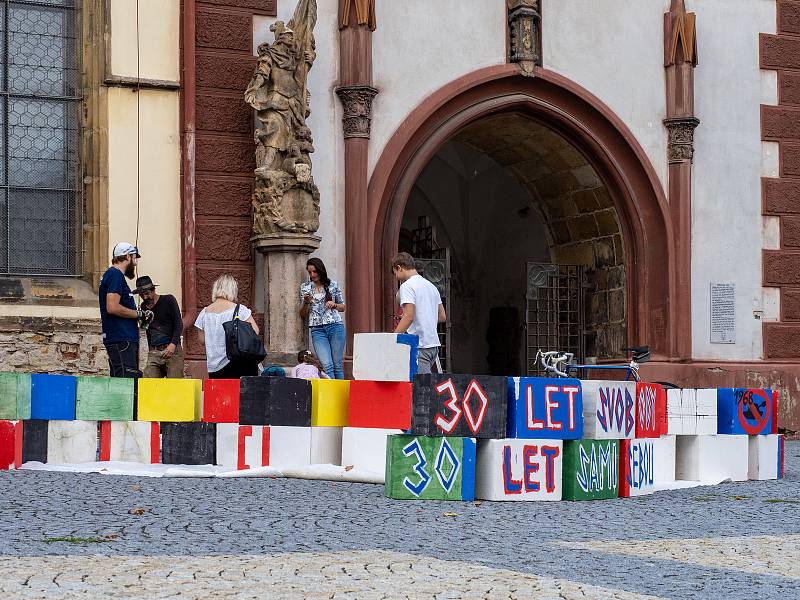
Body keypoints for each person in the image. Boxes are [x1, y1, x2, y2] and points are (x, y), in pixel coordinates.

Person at [194, 274, 261, 379]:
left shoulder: (204, 312)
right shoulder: (239, 310)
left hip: (214, 366)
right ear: (233, 290)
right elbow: (255, 332)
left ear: (215, 290)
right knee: (241, 395)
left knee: (220, 395)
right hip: (239, 363)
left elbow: (202, 340)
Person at [99, 242, 150, 378]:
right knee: (126, 383)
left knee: (124, 380)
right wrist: (139, 314)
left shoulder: (114, 276)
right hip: (121, 337)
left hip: (122, 337)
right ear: (127, 256)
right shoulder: (115, 275)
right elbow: (112, 307)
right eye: (134, 258)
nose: (135, 263)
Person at [391, 252, 446, 374]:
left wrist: (392, 338)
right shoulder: (432, 286)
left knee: (420, 389)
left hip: (419, 345)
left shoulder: (407, 286)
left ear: (399, 267)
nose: (396, 277)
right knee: (424, 386)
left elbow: (408, 316)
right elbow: (442, 316)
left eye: (395, 273)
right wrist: (423, 317)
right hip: (433, 346)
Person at [299, 258, 346, 379]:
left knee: (337, 365)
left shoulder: (333, 284)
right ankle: (331, 395)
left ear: (321, 270)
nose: (312, 275)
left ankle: (341, 396)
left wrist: (334, 305)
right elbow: (302, 314)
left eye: (315, 271)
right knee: (326, 365)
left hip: (335, 326)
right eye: (310, 272)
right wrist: (306, 303)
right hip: (317, 329)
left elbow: (343, 307)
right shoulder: (305, 287)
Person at [134, 276, 184, 379]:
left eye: (147, 293)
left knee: (174, 385)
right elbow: (147, 329)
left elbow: (178, 324)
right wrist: (150, 349)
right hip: (155, 351)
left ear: (153, 290)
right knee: (149, 383)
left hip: (172, 350)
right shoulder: (143, 306)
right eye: (141, 295)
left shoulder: (168, 300)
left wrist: (173, 344)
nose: (145, 297)